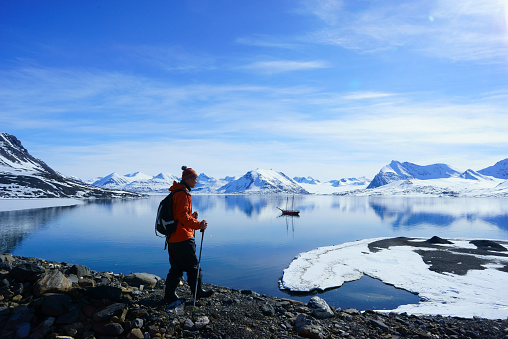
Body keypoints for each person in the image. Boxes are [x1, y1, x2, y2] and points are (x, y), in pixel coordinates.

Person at [163, 166, 213, 303]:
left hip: (173, 238)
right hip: (183, 238)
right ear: (188, 179)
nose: (196, 181)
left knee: (176, 268)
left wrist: (192, 217)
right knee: (193, 267)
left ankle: (169, 295)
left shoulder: (176, 192)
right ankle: (198, 292)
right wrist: (198, 225)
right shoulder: (182, 193)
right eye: (195, 179)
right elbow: (182, 217)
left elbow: (180, 216)